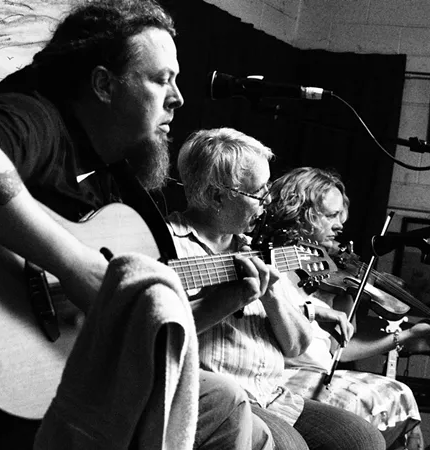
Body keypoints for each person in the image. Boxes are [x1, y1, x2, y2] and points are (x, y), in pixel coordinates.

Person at [0, 1, 273, 449]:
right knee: (226, 406)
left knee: (237, 416)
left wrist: (223, 303)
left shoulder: (113, 176)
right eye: (161, 79)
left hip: (56, 378)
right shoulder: (38, 114)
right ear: (104, 84)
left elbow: (131, 333)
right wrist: (75, 265)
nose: (178, 97)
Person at [166, 127, 387, 450]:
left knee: (363, 439)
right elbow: (155, 336)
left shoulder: (255, 249)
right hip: (218, 399)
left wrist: (271, 296)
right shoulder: (167, 245)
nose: (267, 201)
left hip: (272, 394)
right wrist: (229, 299)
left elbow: (296, 345)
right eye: (258, 192)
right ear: (217, 196)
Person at [266, 166, 424, 449]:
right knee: (375, 403)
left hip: (315, 375)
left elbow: (337, 348)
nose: (339, 226)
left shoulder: (330, 280)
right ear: (298, 213)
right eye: (330, 215)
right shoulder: (269, 268)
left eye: (341, 217)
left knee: (398, 394)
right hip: (279, 382)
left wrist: (406, 337)